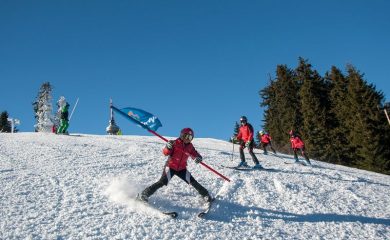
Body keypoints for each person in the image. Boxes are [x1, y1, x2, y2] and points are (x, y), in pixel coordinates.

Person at [138, 128, 213, 203]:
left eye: (189, 137)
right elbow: (165, 153)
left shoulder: (190, 147)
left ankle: (206, 195)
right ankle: (144, 194)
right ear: (181, 135)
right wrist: (168, 147)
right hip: (171, 167)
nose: (187, 139)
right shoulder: (174, 143)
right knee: (162, 182)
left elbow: (195, 154)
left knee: (193, 182)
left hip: (182, 169)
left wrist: (198, 158)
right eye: (185, 136)